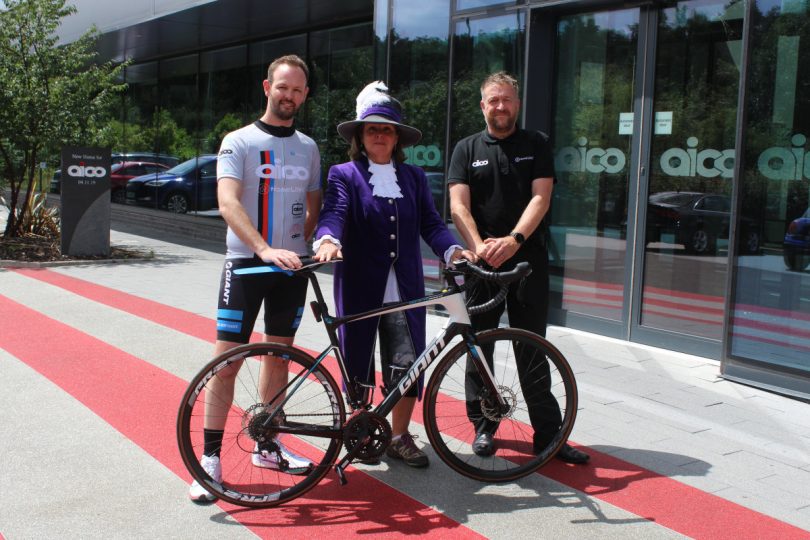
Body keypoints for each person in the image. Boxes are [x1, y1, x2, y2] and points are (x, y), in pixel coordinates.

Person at [313, 81, 473, 468]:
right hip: (360, 287)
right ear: (361, 136)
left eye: (387, 129)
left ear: (397, 137)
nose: (380, 134)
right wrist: (327, 238)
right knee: (359, 361)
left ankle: (399, 436)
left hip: (405, 289)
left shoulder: (414, 178)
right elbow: (333, 211)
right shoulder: (344, 174)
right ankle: (364, 431)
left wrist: (452, 249)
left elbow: (432, 223)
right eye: (373, 128)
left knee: (407, 363)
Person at [189, 54, 323, 502]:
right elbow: (228, 203)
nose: (289, 95)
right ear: (268, 88)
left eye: (297, 90)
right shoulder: (239, 141)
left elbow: (313, 204)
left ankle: (267, 443)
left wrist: (299, 248)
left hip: (292, 267)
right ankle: (209, 459)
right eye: (282, 87)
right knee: (227, 362)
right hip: (247, 264)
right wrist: (265, 248)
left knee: (279, 359)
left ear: (305, 96)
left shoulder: (308, 146)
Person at [447, 71, 589, 465]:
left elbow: (541, 199)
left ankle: (549, 436)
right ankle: (483, 428)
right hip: (481, 265)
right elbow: (458, 205)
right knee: (481, 348)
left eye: (507, 99)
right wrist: (479, 248)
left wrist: (513, 241)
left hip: (527, 260)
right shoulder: (466, 147)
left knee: (532, 347)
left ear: (517, 103)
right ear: (482, 105)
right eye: (493, 100)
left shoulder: (536, 144)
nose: (500, 106)